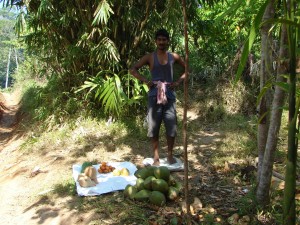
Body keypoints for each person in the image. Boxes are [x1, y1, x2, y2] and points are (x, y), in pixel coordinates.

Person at [130, 28, 186, 166]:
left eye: (164, 40)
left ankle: (170, 155)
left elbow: (187, 68)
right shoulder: (150, 57)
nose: (162, 42)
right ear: (156, 41)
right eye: (159, 40)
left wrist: (178, 81)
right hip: (154, 95)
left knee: (171, 125)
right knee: (154, 126)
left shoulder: (174, 56)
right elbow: (133, 69)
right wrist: (145, 80)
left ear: (168, 41)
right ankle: (155, 156)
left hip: (170, 95)